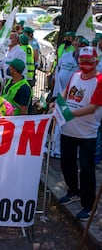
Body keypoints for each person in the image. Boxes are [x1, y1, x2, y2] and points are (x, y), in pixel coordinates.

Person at [56, 46, 102, 221]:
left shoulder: (100, 81)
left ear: (96, 61)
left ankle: (89, 206)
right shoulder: (75, 75)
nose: (85, 65)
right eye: (82, 61)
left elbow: (92, 108)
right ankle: (73, 191)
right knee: (66, 164)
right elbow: (65, 92)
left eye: (89, 61)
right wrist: (58, 102)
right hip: (68, 129)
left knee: (87, 170)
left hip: (87, 134)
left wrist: (69, 112)